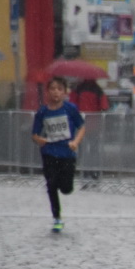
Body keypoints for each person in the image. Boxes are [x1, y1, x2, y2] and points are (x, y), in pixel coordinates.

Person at [31, 75, 85, 232]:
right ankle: (57, 217)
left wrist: (75, 142)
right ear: (48, 92)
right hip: (49, 153)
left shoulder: (70, 109)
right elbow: (34, 134)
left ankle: (65, 186)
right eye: (53, 89)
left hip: (67, 154)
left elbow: (82, 127)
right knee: (51, 185)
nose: (56, 92)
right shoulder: (42, 112)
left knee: (66, 188)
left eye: (59, 89)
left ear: (65, 92)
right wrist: (39, 139)